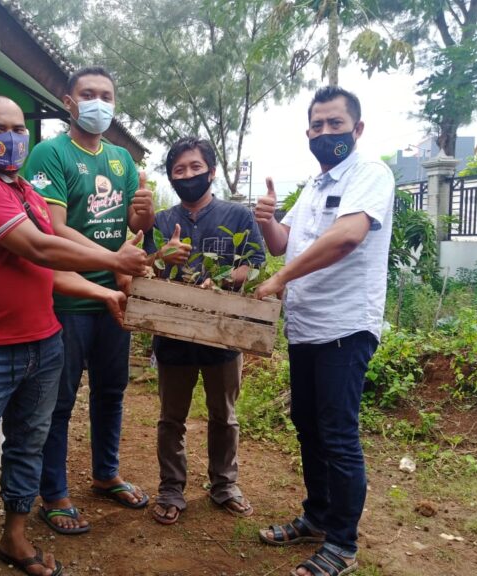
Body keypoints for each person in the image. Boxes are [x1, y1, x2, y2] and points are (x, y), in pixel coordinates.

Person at [0, 95, 148, 576]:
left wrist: (104, 295)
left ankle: (14, 537)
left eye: (17, 129)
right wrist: (114, 261)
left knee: (28, 446)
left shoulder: (27, 192)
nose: (9, 138)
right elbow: (38, 246)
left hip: (43, 344)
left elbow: (42, 270)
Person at [253, 86, 395, 576]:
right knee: (308, 424)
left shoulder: (370, 174)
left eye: (335, 124)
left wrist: (281, 278)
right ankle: (317, 516)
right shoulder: (314, 186)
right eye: (317, 125)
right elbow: (281, 245)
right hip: (307, 327)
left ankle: (342, 543)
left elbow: (349, 236)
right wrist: (268, 220)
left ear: (357, 129)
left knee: (337, 434)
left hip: (346, 324)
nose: (325, 133)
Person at [25, 66, 155, 535]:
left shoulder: (122, 160)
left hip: (113, 300)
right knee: (58, 401)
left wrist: (141, 227)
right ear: (69, 101)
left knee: (111, 393)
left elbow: (132, 229)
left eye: (106, 95)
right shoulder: (49, 154)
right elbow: (53, 229)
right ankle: (53, 493)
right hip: (66, 298)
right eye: (88, 94)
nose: (98, 102)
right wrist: (113, 259)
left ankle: (105, 474)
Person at [143, 137, 266, 525]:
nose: (188, 175)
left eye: (195, 167)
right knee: (171, 417)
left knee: (224, 415)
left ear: (211, 171)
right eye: (179, 170)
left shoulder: (238, 216)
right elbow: (143, 267)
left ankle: (224, 485)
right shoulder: (161, 222)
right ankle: (171, 488)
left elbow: (257, 261)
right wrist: (160, 257)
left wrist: (228, 278)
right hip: (173, 333)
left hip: (224, 332)